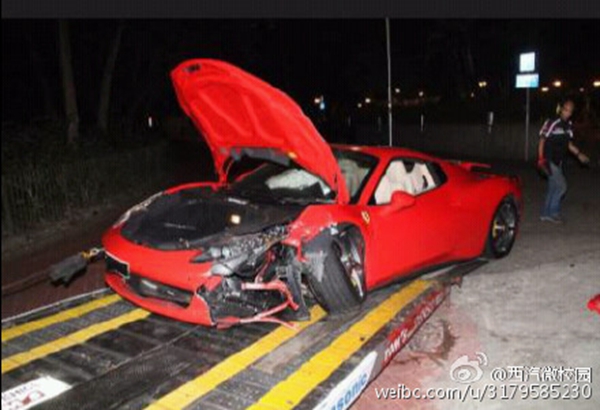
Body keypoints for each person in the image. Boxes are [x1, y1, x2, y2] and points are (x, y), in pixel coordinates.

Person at [537, 99, 590, 223]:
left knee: (553, 187)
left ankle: (545, 214)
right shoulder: (552, 122)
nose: (567, 112)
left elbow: (569, 145)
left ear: (571, 113)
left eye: (569, 111)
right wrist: (540, 159)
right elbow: (542, 140)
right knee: (562, 186)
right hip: (549, 159)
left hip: (559, 162)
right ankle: (554, 213)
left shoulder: (568, 126)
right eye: (565, 109)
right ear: (561, 109)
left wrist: (579, 154)